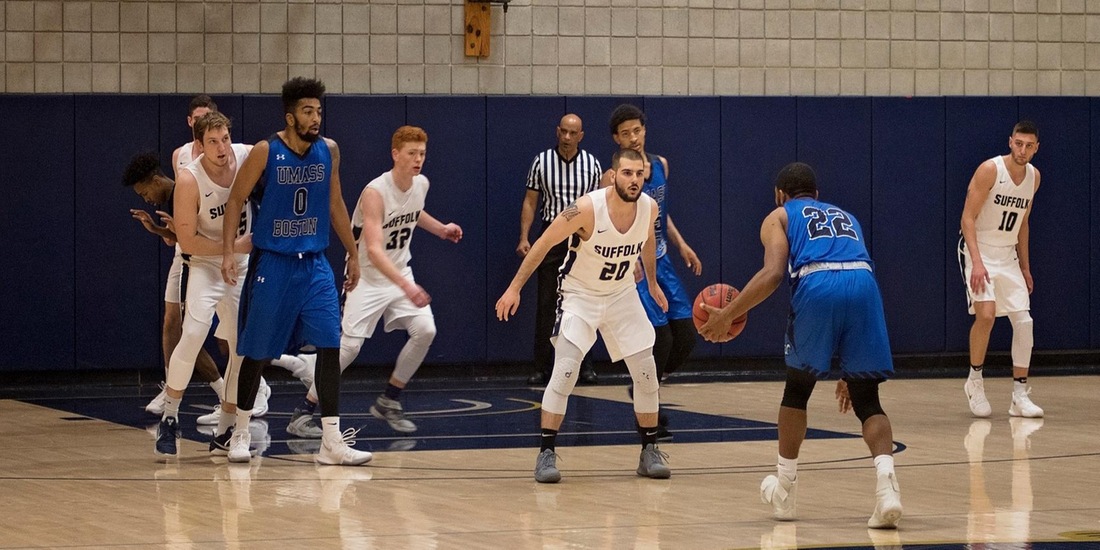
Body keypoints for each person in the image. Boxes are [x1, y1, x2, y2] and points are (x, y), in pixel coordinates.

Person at [698, 162, 902, 529]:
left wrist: (728, 314)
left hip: (818, 283)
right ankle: (888, 488)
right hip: (864, 284)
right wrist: (850, 368)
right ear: (817, 195)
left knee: (797, 391)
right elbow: (847, 271)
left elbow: (773, 273)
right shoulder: (846, 216)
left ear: (780, 194)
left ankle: (785, 489)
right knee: (868, 399)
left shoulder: (778, 216)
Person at [496, 148, 671, 483]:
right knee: (565, 370)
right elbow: (543, 243)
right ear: (613, 175)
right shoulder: (587, 208)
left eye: (639, 174)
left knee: (646, 371)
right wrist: (514, 287)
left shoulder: (649, 207)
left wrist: (651, 283)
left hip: (621, 295)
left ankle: (649, 450)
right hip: (580, 295)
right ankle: (546, 453)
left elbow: (648, 240)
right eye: (627, 173)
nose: (634, 180)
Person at [220, 77, 371, 466]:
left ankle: (331, 441)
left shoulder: (328, 151)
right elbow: (235, 200)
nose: (316, 118)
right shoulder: (266, 151)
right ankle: (240, 432)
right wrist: (227, 252)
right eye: (308, 111)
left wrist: (353, 254)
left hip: (315, 264)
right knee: (256, 350)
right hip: (273, 262)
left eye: (318, 110)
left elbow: (335, 203)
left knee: (330, 346)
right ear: (290, 117)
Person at [293, 126, 462, 435]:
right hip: (367, 276)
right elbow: (373, 249)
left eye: (422, 153)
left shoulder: (421, 184)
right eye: (412, 153)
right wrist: (408, 287)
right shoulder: (375, 192)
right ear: (395, 154)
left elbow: (413, 212)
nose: (418, 159)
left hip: (399, 272)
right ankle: (304, 412)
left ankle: (389, 400)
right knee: (348, 348)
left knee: (425, 330)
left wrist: (441, 229)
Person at [152, 112, 253, 457]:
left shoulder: (247, 156)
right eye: (213, 141)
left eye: (225, 138)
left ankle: (227, 428)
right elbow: (188, 241)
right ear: (199, 145)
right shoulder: (189, 179)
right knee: (194, 333)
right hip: (206, 263)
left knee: (240, 348)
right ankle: (170, 416)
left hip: (240, 265)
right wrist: (232, 248)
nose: (222, 147)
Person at [603, 103, 702, 438]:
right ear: (617, 139)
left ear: (644, 130)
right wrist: (626, 256)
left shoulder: (661, 165)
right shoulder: (612, 176)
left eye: (637, 130)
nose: (633, 137)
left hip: (661, 259)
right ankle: (649, 417)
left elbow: (660, 212)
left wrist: (681, 244)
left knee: (686, 336)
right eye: (626, 133)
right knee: (660, 340)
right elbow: (607, 219)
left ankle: (644, 386)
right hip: (634, 265)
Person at [123, 153, 232, 415]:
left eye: (145, 192)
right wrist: (157, 229)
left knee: (217, 336)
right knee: (184, 330)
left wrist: (174, 232)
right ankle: (220, 395)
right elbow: (179, 239)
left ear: (156, 180)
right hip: (193, 263)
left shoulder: (185, 190)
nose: (146, 199)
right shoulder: (172, 197)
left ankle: (235, 395)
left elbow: (191, 239)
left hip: (206, 266)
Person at [959, 121, 1043, 419]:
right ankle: (974, 381)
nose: (1022, 150)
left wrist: (1026, 267)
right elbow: (967, 218)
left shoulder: (1034, 177)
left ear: (1036, 148)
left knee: (1024, 321)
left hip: (1008, 254)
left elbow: (1023, 224)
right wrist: (977, 262)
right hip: (978, 248)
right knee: (986, 314)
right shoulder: (990, 170)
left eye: (1029, 146)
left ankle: (1019, 395)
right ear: (1010, 142)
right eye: (1018, 143)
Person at [517, 114, 602, 386]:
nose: (567, 137)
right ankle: (541, 367)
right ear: (557, 131)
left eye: (572, 133)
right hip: (551, 236)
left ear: (581, 136)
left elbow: (599, 204)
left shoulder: (592, 164)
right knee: (547, 303)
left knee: (585, 301)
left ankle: (586, 366)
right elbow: (530, 201)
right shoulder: (541, 162)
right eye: (563, 131)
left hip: (583, 237)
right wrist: (524, 237)